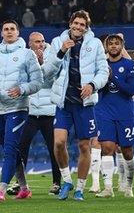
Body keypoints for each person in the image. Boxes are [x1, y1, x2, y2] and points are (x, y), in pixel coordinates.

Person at [42, 10, 109, 201]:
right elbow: (47, 72)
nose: (78, 27)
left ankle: (79, 188)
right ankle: (67, 180)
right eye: (76, 23)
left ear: (86, 27)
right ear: (70, 23)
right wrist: (61, 51)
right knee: (59, 142)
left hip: (84, 104)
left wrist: (92, 85)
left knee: (84, 146)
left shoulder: (95, 44)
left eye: (82, 24)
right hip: (64, 103)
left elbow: (103, 72)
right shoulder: (57, 42)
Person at [0, 20, 43, 201]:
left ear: (18, 33)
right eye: (6, 29)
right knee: (8, 146)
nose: (9, 32)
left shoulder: (27, 54)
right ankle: (24, 188)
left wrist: (22, 89)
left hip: (18, 108)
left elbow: (37, 81)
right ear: (1, 33)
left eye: (12, 29)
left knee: (9, 148)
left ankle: (1, 189)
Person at [9, 32, 62, 197]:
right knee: (21, 147)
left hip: (49, 111)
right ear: (29, 43)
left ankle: (57, 183)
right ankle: (20, 183)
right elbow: (21, 82)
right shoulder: (24, 57)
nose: (40, 44)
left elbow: (53, 79)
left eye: (42, 41)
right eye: (37, 42)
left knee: (55, 149)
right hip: (30, 112)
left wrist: (40, 66)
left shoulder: (53, 56)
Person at [95, 34, 134, 198]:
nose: (113, 46)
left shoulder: (130, 65)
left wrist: (112, 77)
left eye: (117, 43)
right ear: (106, 47)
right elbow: (96, 89)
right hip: (104, 112)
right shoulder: (100, 65)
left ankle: (128, 186)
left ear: (122, 46)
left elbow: (131, 90)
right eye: (110, 44)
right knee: (107, 148)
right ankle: (108, 188)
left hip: (124, 113)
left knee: (127, 151)